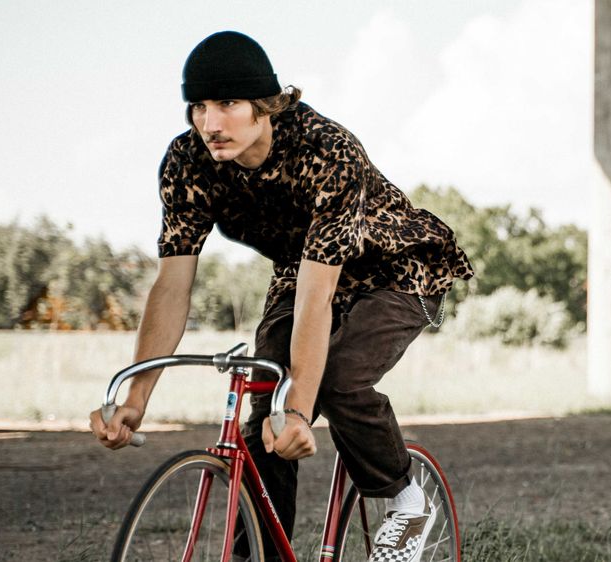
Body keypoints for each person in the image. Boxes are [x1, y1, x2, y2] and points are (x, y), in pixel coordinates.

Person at [88, 30, 474, 562]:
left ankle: (406, 500)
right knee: (263, 410)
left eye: (228, 103)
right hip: (303, 270)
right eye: (199, 105)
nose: (211, 122)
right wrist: (135, 400)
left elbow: (318, 301)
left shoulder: (325, 150)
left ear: (265, 106)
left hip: (395, 270)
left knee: (334, 381)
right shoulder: (188, 164)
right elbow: (172, 286)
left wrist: (299, 409)